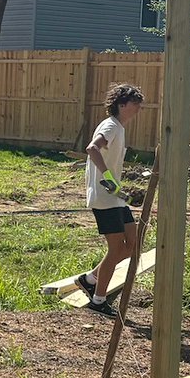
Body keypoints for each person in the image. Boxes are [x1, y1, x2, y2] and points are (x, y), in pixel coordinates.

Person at [77, 84, 145, 318]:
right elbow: (92, 149)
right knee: (116, 249)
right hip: (105, 198)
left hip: (116, 198)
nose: (139, 108)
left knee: (133, 245)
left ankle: (89, 279)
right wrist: (107, 177)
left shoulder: (118, 128)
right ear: (121, 104)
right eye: (136, 104)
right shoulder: (110, 126)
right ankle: (98, 300)